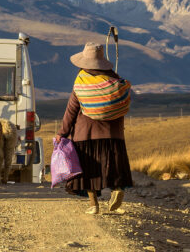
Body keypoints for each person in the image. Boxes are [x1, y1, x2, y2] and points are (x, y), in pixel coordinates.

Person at [55, 42, 133, 215]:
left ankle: (94, 204)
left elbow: (71, 110)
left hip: (86, 133)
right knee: (113, 166)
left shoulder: (82, 80)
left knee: (89, 170)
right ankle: (117, 188)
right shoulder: (114, 78)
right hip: (113, 133)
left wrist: (62, 133)